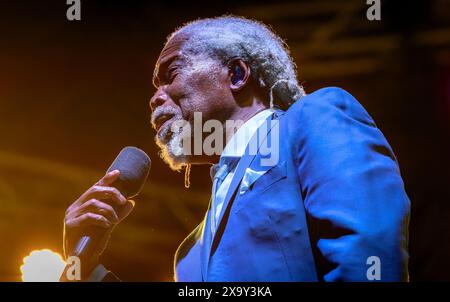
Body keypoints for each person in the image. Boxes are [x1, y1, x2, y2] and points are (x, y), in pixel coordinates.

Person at [63, 16, 410, 281]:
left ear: (237, 74)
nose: (155, 98)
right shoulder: (190, 252)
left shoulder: (312, 117)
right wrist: (87, 266)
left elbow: (370, 243)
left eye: (171, 73)